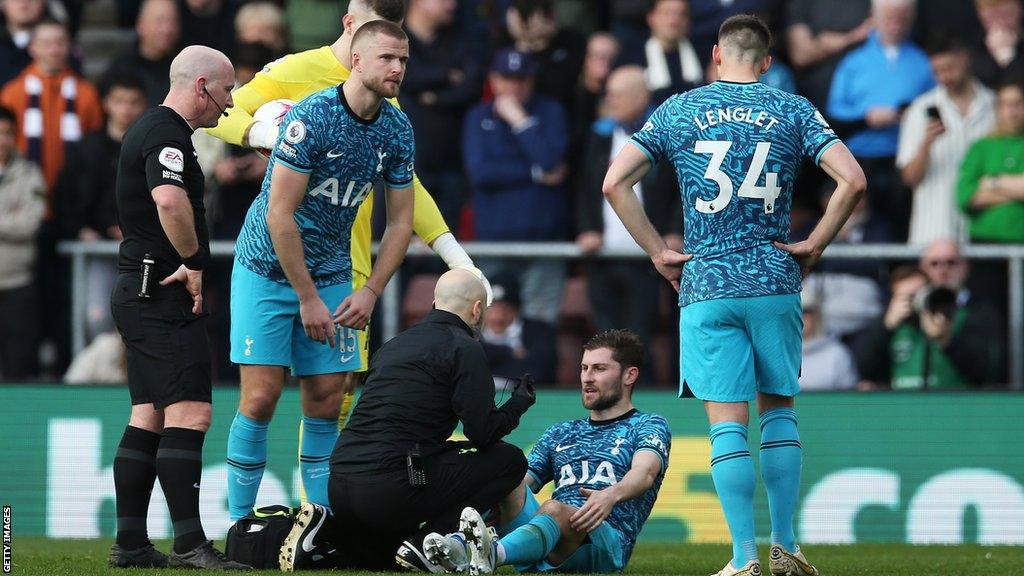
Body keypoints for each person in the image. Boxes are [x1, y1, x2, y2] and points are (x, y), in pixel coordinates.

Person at [603, 14, 866, 576]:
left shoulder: (680, 108)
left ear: (717, 57)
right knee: (779, 414)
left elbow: (614, 183)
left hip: (707, 282)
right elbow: (854, 179)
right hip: (773, 278)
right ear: (767, 63)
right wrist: (815, 243)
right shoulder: (793, 108)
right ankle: (788, 548)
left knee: (727, 425)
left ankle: (743, 557)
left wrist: (657, 250)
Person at [205, 0, 491, 438]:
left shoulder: (388, 105)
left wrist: (454, 254)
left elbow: (405, 187)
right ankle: (265, 505)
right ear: (350, 26)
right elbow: (218, 114)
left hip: (348, 262)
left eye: (399, 51)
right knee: (262, 396)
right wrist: (263, 134)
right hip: (278, 258)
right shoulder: (295, 72)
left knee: (335, 397)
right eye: (381, 46)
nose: (393, 60)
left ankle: (315, 507)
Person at [226, 21, 416, 522]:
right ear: (356, 59)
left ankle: (322, 525)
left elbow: (399, 222)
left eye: (404, 60)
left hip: (332, 272)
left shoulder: (397, 130)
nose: (398, 68)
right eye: (387, 59)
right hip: (266, 267)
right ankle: (241, 527)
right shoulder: (311, 119)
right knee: (262, 397)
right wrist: (309, 299)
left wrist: (372, 289)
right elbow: (278, 214)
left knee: (328, 398)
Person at [279, 269, 536, 572]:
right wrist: (518, 404)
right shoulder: (464, 347)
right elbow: (483, 433)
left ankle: (325, 538)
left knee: (382, 560)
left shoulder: (394, 344)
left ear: (434, 302)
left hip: (342, 481)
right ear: (477, 309)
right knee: (509, 460)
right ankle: (430, 538)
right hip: (392, 486)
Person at [108, 45, 248, 570]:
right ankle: (190, 543)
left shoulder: (150, 130)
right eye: (228, 90)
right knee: (191, 411)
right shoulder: (165, 134)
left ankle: (130, 543)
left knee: (148, 415)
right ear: (202, 86)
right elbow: (169, 200)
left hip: (137, 288)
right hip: (159, 290)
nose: (230, 103)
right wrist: (192, 261)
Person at [420, 329, 671, 575]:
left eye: (600, 369)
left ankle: (492, 554)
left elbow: (645, 472)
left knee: (554, 508)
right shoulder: (561, 432)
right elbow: (520, 481)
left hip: (605, 543)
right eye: (584, 368)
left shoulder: (648, 425)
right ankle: (454, 546)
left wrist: (610, 496)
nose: (587, 377)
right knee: (504, 476)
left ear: (630, 375)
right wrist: (493, 497)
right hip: (546, 531)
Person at [576, 65, 681, 355]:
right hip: (603, 256)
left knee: (640, 338)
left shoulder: (665, 137)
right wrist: (587, 229)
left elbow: (680, 191)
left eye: (617, 95)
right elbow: (585, 190)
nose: (610, 101)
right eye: (609, 95)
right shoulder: (598, 137)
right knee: (604, 338)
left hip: (647, 257)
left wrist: (674, 231)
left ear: (641, 96)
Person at [463, 47, 570, 327]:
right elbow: (480, 173)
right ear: (494, 80)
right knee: (489, 323)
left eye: (521, 79)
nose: (514, 85)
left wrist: (520, 121)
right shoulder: (478, 117)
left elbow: (550, 161)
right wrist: (533, 173)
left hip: (543, 240)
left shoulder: (551, 111)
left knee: (540, 324)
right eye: (507, 78)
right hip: (494, 239)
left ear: (531, 80)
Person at [826, 0, 935, 242]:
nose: (896, 24)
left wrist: (912, 115)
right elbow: (833, 114)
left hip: (906, 157)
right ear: (873, 18)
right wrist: (867, 118)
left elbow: (935, 105)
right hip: (859, 156)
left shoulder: (922, 61)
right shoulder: (853, 62)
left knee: (901, 224)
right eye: (889, 17)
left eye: (902, 17)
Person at [54, 73, 148, 341]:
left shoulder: (152, 146)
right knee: (96, 318)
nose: (126, 109)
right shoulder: (86, 148)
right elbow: (65, 196)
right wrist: (80, 229)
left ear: (143, 105)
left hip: (144, 248)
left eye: (133, 102)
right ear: (106, 103)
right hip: (96, 249)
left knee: (143, 319)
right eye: (119, 101)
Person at [898, 37, 995, 245]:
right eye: (937, 71)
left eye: (949, 67)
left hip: (985, 230)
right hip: (934, 230)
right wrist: (927, 143)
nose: (944, 76)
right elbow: (909, 178)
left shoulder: (994, 105)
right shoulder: (919, 109)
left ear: (965, 59)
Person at [854, 257, 1003, 390]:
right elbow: (866, 371)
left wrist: (946, 340)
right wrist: (886, 326)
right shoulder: (890, 328)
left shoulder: (959, 318)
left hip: (954, 405)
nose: (915, 302)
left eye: (921, 294)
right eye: (908, 297)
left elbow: (983, 373)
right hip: (902, 407)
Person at [400, 0, 484, 232]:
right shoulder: (393, 36)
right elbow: (402, 78)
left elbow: (471, 86)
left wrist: (433, 97)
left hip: (451, 165)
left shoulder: (461, 38)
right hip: (404, 166)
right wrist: (447, 75)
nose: (452, 4)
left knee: (444, 250)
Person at [0, 105, 45, 381]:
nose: (1, 139)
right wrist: (9, 216)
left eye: (6, 133)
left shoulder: (30, 173)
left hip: (18, 282)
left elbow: (30, 223)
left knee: (17, 366)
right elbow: (18, 222)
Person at [784, 0, 871, 109]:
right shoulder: (803, 3)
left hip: (861, 100)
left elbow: (880, 28)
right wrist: (850, 38)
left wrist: (828, 43)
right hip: (814, 101)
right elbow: (800, 55)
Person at [480, 273, 557, 385]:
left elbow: (539, 374)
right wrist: (510, 352)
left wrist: (489, 364)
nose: (498, 316)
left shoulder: (540, 331)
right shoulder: (470, 332)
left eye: (505, 308)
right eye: (492, 307)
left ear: (517, 309)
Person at [104, 0, 181, 106]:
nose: (167, 29)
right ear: (140, 24)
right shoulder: (121, 68)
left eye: (173, 21)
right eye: (159, 21)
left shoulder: (184, 67)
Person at [798, 282, 858, 391]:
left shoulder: (837, 354)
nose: (798, 317)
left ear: (816, 316)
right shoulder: (769, 355)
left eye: (805, 312)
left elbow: (848, 400)